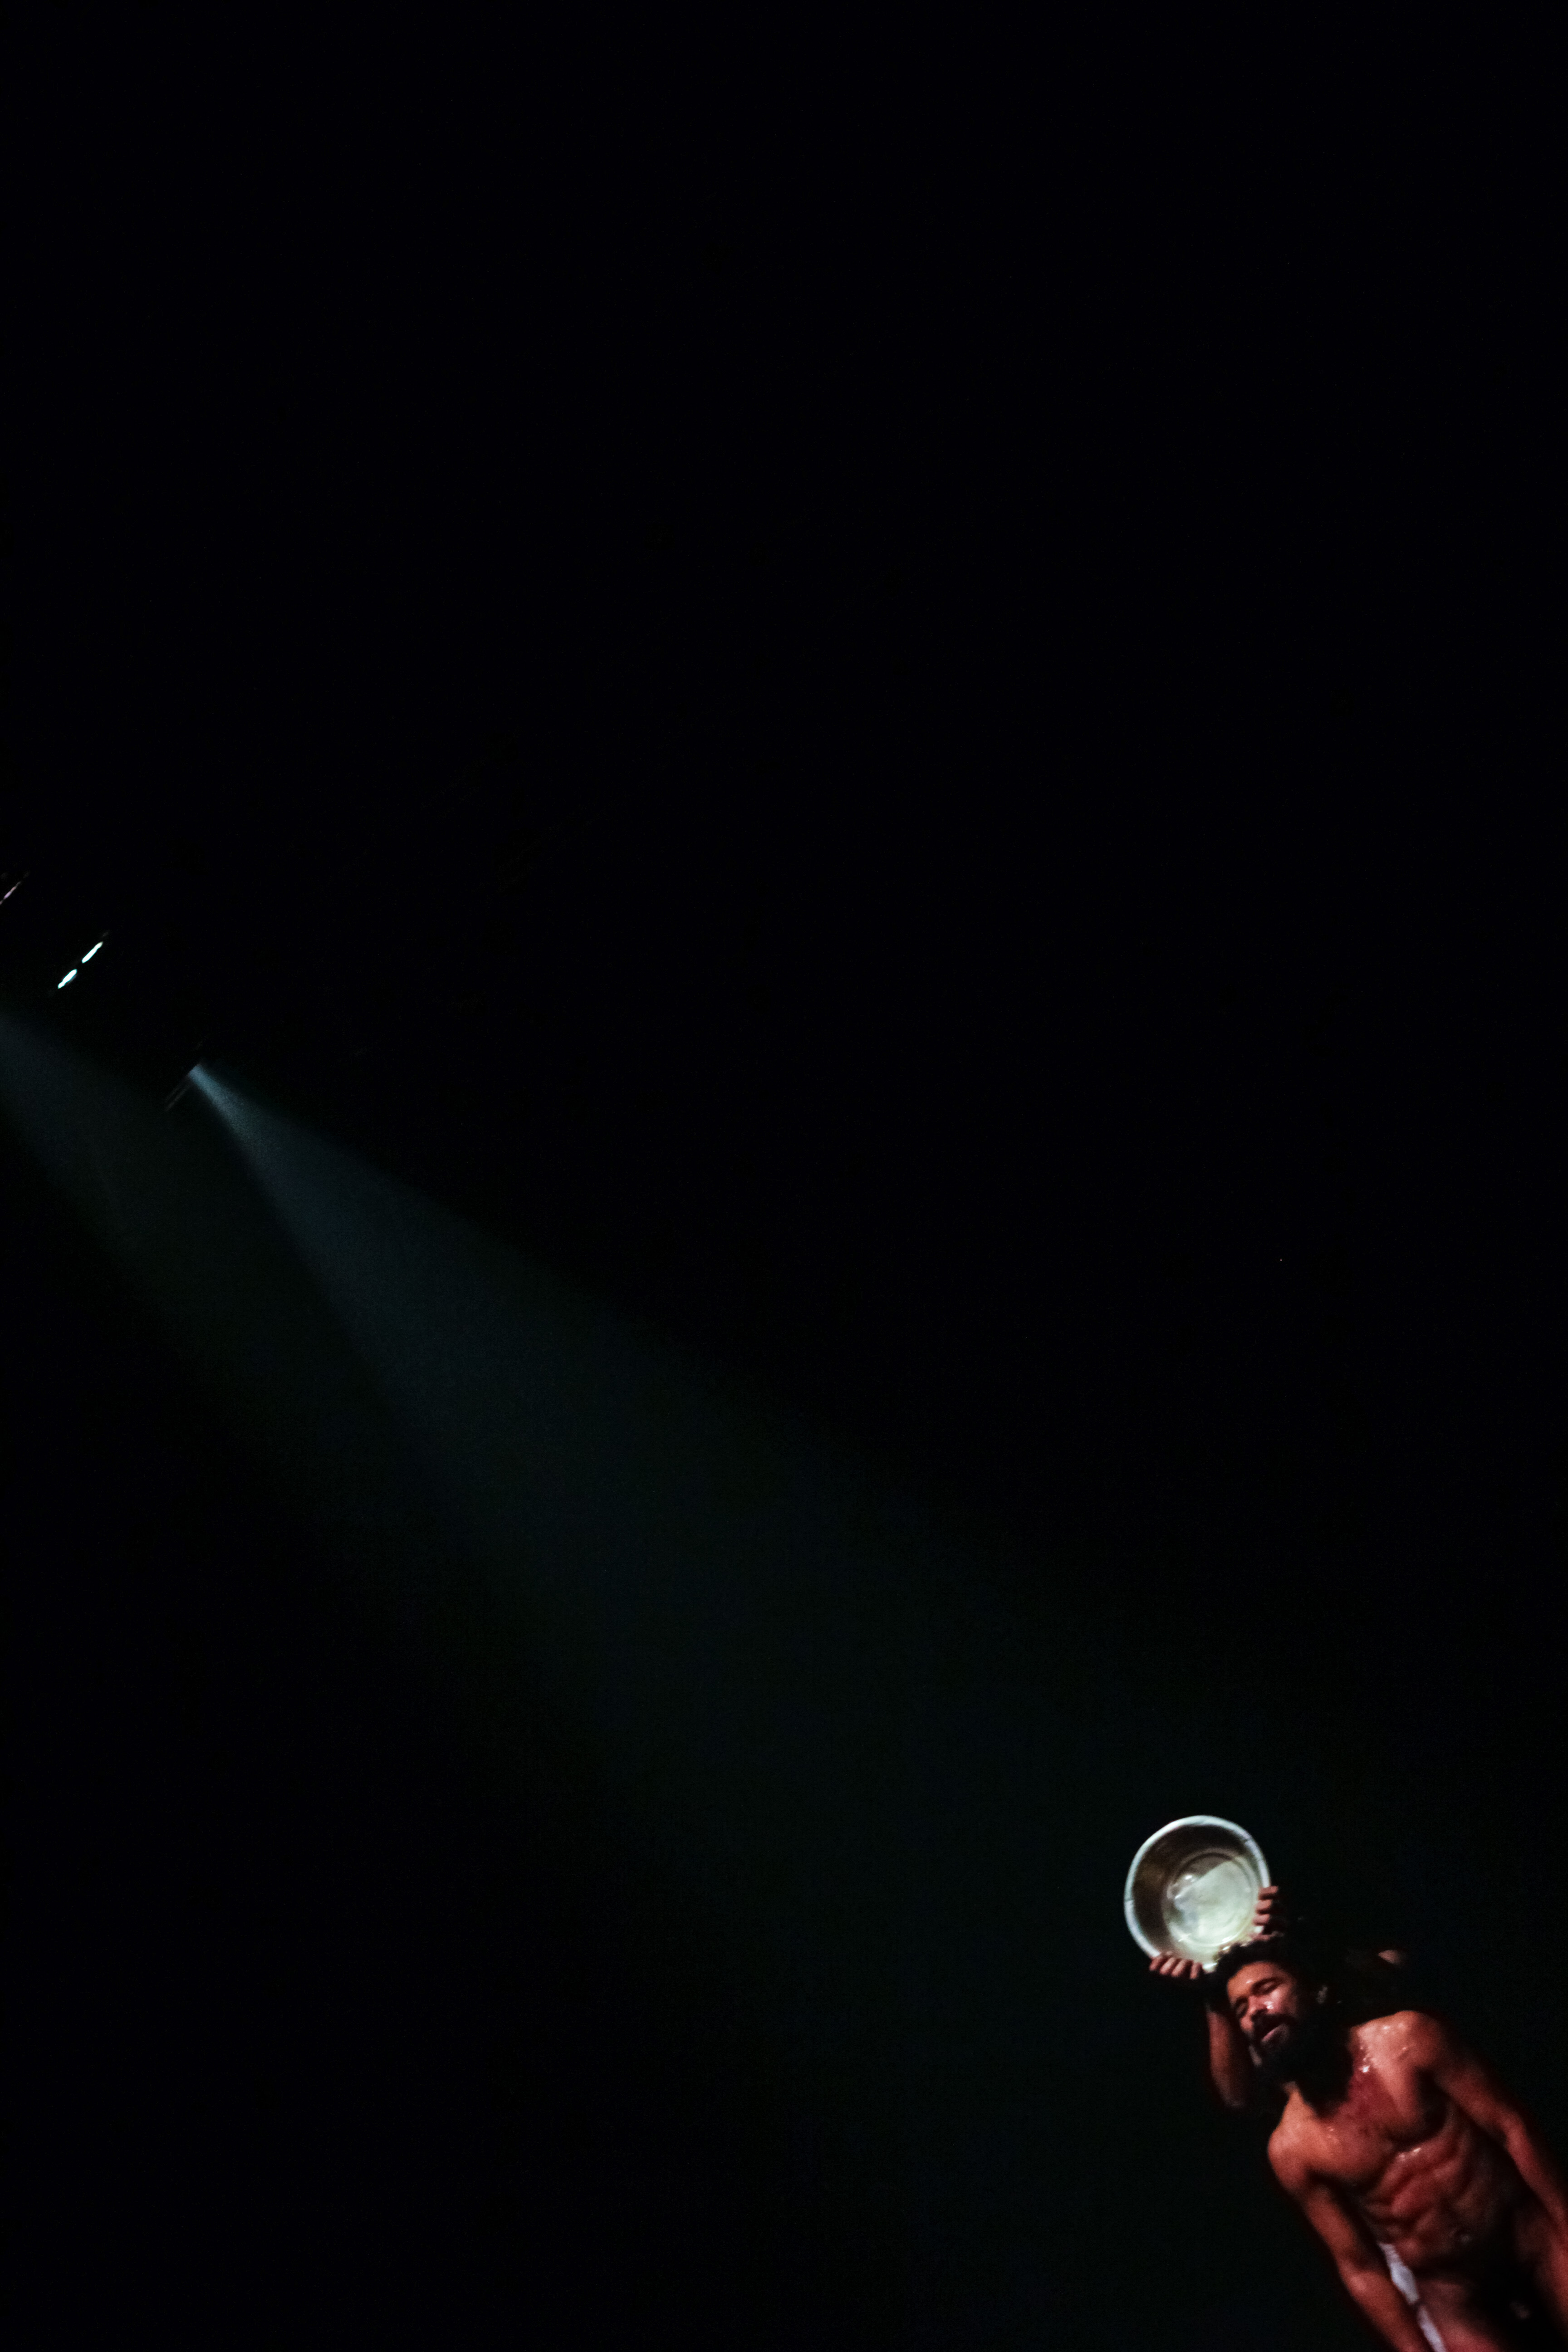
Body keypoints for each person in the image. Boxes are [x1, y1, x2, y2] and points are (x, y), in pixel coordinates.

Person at [1150, 1889, 1568, 2349]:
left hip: (1527, 2235)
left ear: (1316, 1991)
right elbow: (1361, 2267)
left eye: (1266, 1990)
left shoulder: (1407, 2040)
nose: (1256, 2013)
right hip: (1452, 2291)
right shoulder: (1293, 2148)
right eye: (1242, 2010)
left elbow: (1512, 2130)